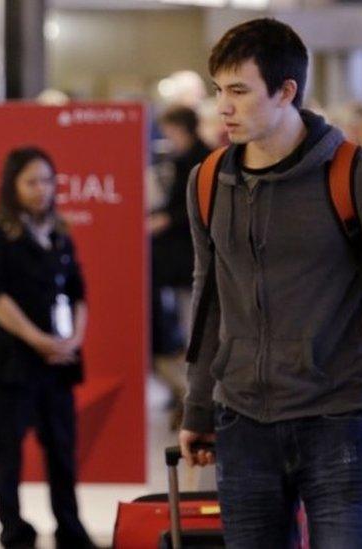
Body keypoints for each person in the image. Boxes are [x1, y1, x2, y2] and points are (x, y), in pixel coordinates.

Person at [178, 19, 362, 548]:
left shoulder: (356, 176)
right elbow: (209, 300)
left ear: (286, 91)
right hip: (243, 423)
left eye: (238, 91)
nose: (223, 107)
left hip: (337, 418)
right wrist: (199, 406)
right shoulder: (208, 180)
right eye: (218, 91)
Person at [0, 147, 95, 549]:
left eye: (47, 180)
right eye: (31, 181)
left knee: (62, 449)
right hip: (11, 363)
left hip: (58, 363)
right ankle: (14, 531)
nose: (41, 189)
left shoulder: (59, 231)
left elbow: (77, 291)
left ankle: (70, 527)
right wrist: (40, 341)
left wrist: (72, 340)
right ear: (13, 185)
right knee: (8, 454)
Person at [150, 106, 210, 429]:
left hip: (187, 256)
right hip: (178, 256)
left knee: (191, 323)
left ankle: (192, 395)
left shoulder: (199, 161)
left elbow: (191, 208)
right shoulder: (186, 159)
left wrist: (165, 219)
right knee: (183, 321)